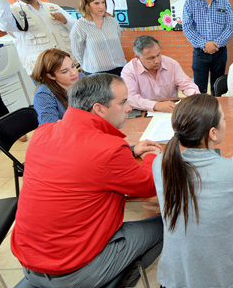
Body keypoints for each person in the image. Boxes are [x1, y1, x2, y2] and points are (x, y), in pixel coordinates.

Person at [12, 74, 164, 288]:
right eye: (122, 103)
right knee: (165, 224)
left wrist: (130, 151)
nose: (129, 108)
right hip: (74, 271)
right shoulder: (108, 148)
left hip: (29, 262)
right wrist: (151, 157)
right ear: (99, 109)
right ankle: (118, 277)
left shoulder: (43, 132)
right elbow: (147, 185)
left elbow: (78, 159)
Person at [152, 94, 233, 288]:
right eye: (224, 118)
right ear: (213, 133)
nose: (226, 121)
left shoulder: (160, 163)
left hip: (180, 274)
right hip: (223, 275)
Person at [0, 0, 76, 75]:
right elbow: (4, 25)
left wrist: (65, 21)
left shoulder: (52, 6)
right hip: (44, 72)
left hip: (69, 66)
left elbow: (76, 27)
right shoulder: (11, 11)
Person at [183, 0, 233, 94]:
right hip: (200, 53)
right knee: (199, 89)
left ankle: (216, 112)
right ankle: (201, 113)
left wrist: (215, 44)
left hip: (220, 52)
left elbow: (230, 26)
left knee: (218, 88)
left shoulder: (224, 2)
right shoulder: (190, 3)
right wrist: (204, 44)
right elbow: (187, 27)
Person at [121, 35, 199, 113]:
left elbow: (187, 84)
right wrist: (156, 105)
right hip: (145, 111)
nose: (157, 61)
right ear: (138, 57)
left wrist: (194, 95)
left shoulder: (171, 64)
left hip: (172, 110)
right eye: (151, 58)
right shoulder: (129, 70)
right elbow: (130, 98)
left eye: (158, 55)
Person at [70, 0, 126, 75]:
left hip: (119, 68)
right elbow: (77, 52)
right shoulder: (80, 26)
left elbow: (117, 42)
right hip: (96, 72)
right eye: (96, 3)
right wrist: (88, 66)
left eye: (103, 2)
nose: (101, 6)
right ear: (86, 5)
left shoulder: (112, 22)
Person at [31, 48, 80, 126]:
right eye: (65, 71)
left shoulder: (82, 78)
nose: (74, 73)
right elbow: (50, 127)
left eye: (73, 66)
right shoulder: (43, 95)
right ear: (51, 76)